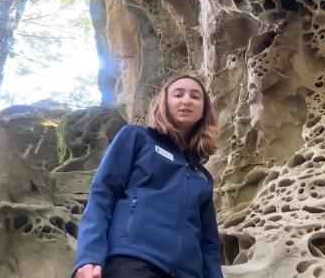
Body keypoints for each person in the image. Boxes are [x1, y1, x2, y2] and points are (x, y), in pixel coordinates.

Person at [72, 75, 223, 278]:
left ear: (204, 110)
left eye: (195, 97)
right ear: (164, 103)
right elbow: (102, 195)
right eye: (178, 94)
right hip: (133, 261)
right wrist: (89, 256)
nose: (186, 100)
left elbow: (209, 243)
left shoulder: (202, 176)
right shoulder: (136, 138)